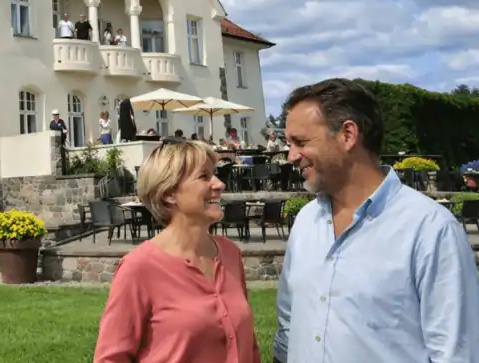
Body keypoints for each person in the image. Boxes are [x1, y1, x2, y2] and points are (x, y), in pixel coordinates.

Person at [273, 78, 479, 362]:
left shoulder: (430, 229)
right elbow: (287, 326)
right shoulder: (306, 221)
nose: (291, 156)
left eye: (300, 142)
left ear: (347, 135)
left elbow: (456, 352)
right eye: (288, 143)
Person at [94, 140, 260, 363]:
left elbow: (249, 346)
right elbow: (110, 358)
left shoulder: (230, 254)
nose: (219, 184)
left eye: (215, 174)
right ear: (169, 193)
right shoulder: (139, 268)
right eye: (204, 177)